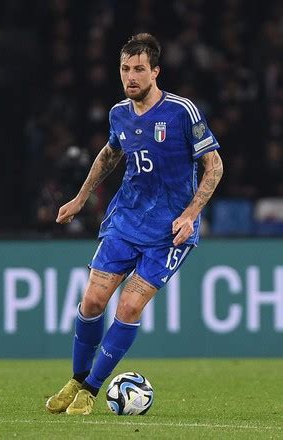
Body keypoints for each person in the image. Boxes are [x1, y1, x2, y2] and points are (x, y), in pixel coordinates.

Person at [46, 33, 223, 415]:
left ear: (155, 71)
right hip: (125, 221)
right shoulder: (119, 113)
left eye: (139, 69)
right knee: (92, 300)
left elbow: (214, 166)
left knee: (128, 307)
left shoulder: (182, 112)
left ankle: (91, 391)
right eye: (125, 69)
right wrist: (80, 198)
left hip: (168, 232)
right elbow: (110, 154)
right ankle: (76, 379)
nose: (131, 76)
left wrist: (191, 215)